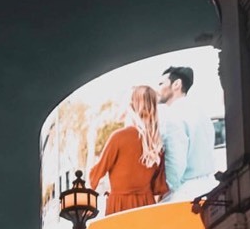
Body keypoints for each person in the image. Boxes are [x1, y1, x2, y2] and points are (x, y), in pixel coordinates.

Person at [88, 85, 169, 216]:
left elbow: (94, 177)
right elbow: (158, 188)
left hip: (119, 208)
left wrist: (91, 143)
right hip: (147, 207)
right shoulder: (157, 144)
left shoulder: (118, 138)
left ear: (130, 108)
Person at [156, 65, 216, 202]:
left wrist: (163, 191)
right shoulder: (201, 114)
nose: (158, 89)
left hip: (184, 193)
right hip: (208, 188)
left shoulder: (173, 115)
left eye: (161, 84)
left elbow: (175, 163)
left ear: (176, 84)